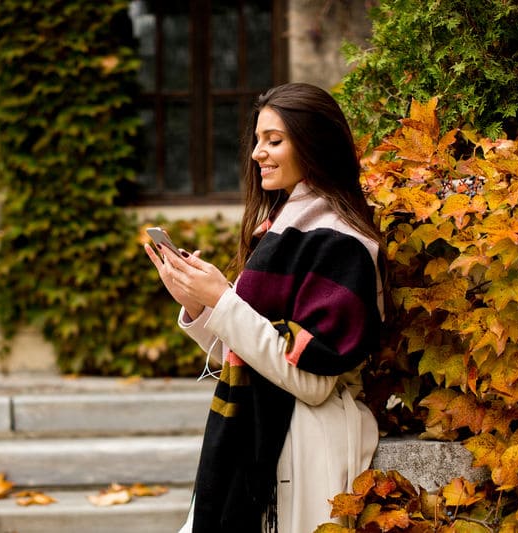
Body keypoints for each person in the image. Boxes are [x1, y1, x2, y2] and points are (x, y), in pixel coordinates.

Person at [144, 82, 385, 533]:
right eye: (258, 141)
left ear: (312, 144)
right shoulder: (278, 234)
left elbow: (310, 381)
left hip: (305, 446)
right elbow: (247, 353)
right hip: (260, 438)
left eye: (274, 140)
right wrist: (199, 307)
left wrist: (222, 300)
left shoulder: (341, 243)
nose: (258, 153)